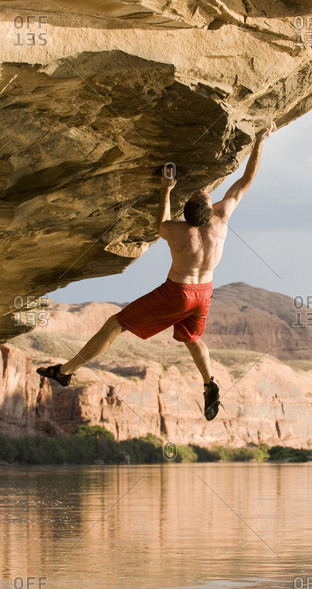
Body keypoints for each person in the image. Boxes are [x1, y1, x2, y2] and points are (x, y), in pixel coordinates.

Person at [37, 121, 277, 420]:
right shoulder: (222, 218)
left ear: (189, 213)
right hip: (204, 292)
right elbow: (246, 180)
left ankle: (65, 371)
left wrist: (166, 189)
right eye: (202, 194)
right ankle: (209, 382)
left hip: (178, 292)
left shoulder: (175, 231)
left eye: (198, 194)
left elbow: (161, 220)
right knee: (191, 338)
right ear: (209, 209)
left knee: (114, 324)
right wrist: (261, 142)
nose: (203, 190)